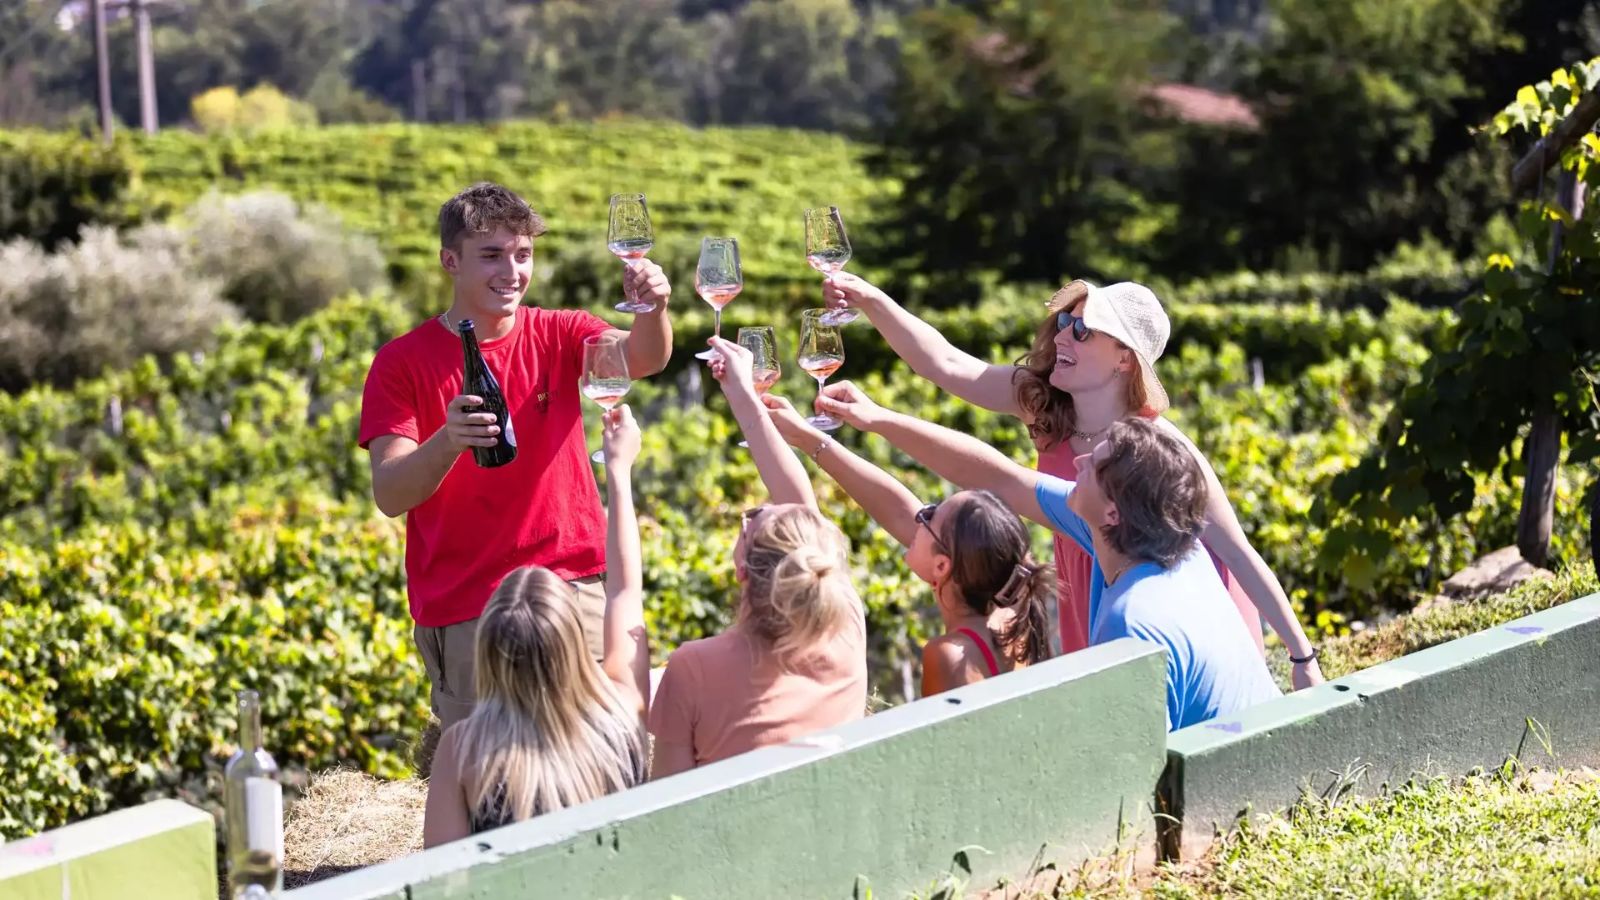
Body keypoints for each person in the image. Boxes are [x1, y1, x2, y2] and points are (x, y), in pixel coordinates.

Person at [821, 274, 1325, 688]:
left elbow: (1236, 552)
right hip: (1087, 580)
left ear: (1124, 358)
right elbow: (946, 363)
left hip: (1166, 601)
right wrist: (871, 299)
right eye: (1065, 321)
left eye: (1083, 330)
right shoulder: (1045, 403)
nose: (1062, 336)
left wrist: (1302, 658)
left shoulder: (1158, 451)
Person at [359, 182, 673, 737]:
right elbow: (390, 492)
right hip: (467, 610)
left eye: (523, 255)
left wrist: (654, 309)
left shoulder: (561, 332)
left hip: (573, 589)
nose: (512, 271)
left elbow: (644, 358)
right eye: (492, 255)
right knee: (490, 775)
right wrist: (448, 441)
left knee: (604, 752)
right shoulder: (401, 362)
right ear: (450, 261)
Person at [813, 383, 1281, 731]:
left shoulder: (1131, 622)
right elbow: (999, 476)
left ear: (1113, 511)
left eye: (1094, 464)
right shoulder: (1178, 550)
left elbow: (1131, 777)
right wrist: (874, 420)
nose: (1077, 461)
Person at [421, 405, 652, 846]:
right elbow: (625, 592)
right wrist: (619, 471)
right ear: (572, 642)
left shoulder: (463, 752)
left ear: (488, 654)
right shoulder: (623, 712)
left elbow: (442, 873)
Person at [647, 337, 868, 777]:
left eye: (753, 518)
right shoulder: (844, 627)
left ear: (742, 570)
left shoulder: (694, 667)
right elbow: (801, 506)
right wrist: (742, 395)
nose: (765, 504)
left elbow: (667, 797)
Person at [760, 393, 1051, 695]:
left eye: (929, 516)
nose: (918, 516)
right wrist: (808, 438)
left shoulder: (949, 656)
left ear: (942, 566)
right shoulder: (1010, 614)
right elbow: (898, 509)